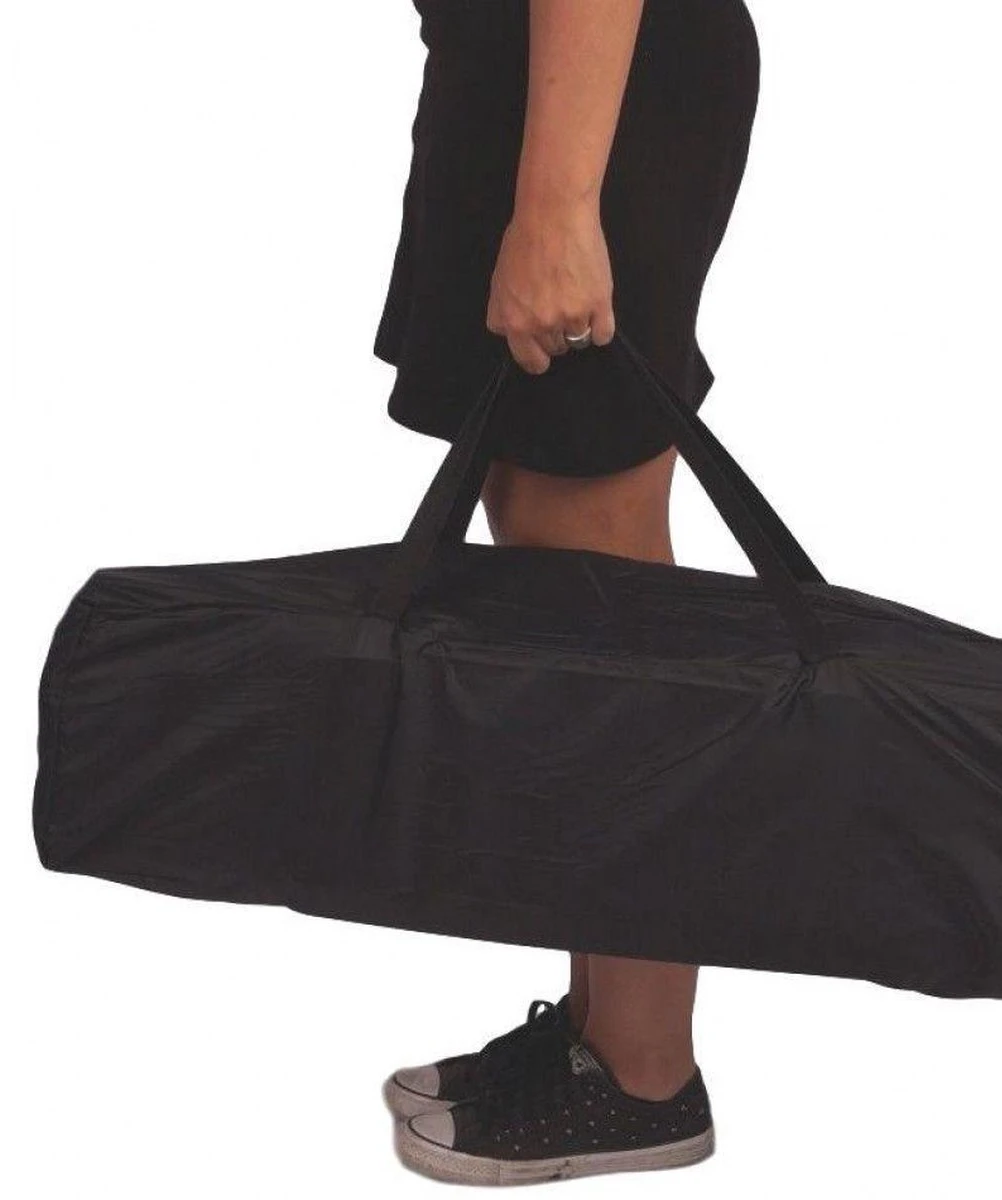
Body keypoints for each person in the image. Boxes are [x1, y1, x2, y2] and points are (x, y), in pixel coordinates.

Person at [374, 0, 760, 1184]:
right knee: (563, 576)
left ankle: (644, 1069)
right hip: (535, 79)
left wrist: (557, 200)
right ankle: (603, 1030)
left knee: (596, 571)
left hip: (589, 90)